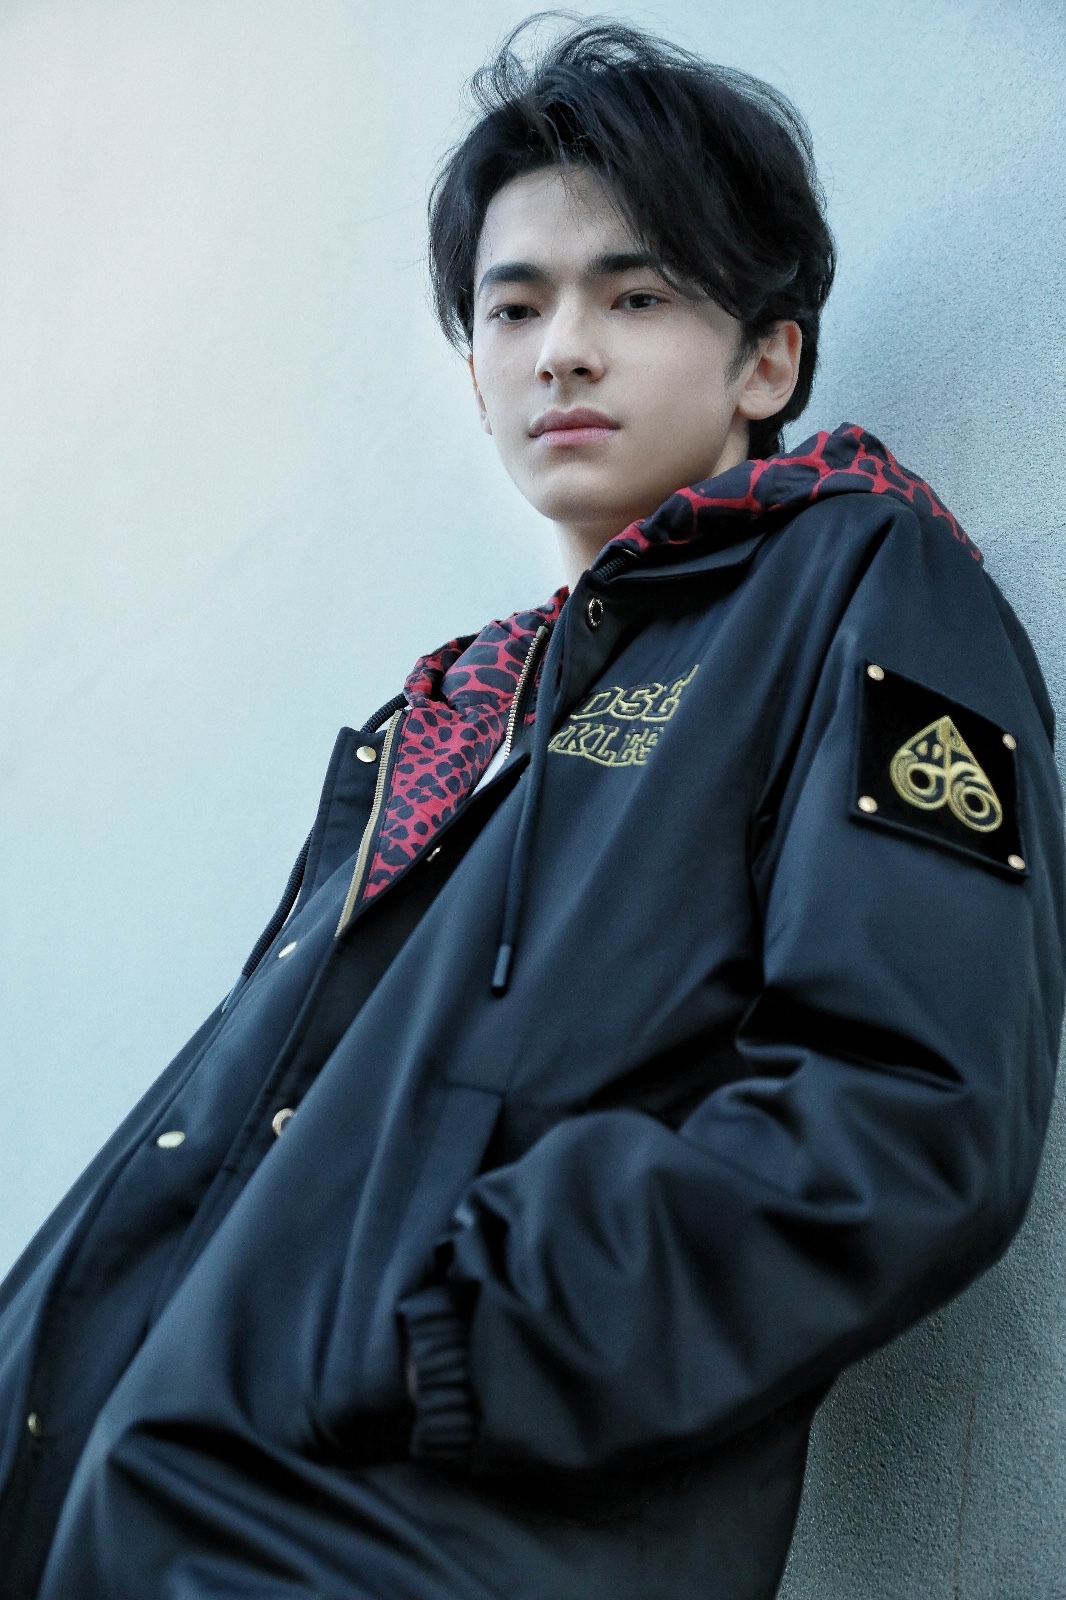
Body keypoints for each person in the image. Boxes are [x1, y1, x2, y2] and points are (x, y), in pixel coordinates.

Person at [1, 17, 1062, 1600]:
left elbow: (907, 1107)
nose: (560, 348)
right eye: (514, 307)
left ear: (766, 359)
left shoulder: (854, 585)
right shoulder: (443, 725)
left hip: (400, 1552)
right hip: (121, 1530)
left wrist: (454, 1336)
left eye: (633, 296)